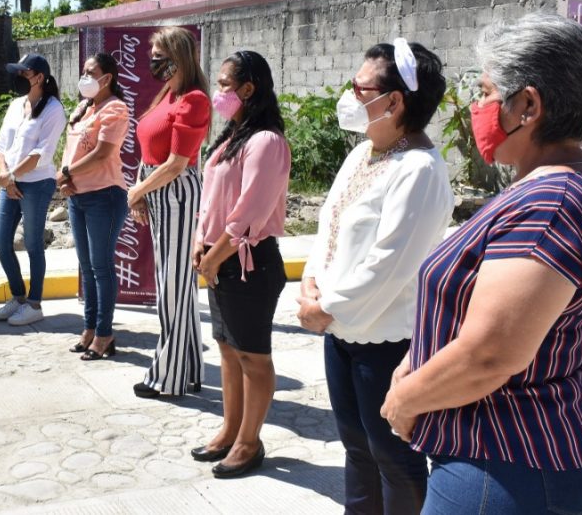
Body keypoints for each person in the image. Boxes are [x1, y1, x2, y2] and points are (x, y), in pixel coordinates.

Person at [381, 13, 582, 515]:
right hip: (509, 451)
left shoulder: (550, 204)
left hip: (506, 461)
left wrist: (406, 402)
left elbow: (490, 355)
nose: (476, 107)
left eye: (487, 92)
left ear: (528, 104)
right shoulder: (541, 184)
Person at [297, 39, 453, 513]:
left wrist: (326, 308)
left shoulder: (420, 169)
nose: (352, 96)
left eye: (359, 86)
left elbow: (389, 264)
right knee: (355, 446)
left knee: (392, 455)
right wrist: (310, 281)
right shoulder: (366, 152)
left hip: (384, 340)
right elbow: (331, 223)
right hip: (340, 331)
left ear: (395, 101)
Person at [189, 50, 289, 478]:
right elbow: (211, 200)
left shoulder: (266, 141)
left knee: (253, 357)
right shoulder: (232, 137)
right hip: (221, 257)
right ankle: (230, 430)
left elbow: (249, 213)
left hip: (248, 262)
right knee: (228, 352)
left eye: (226, 85)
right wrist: (200, 243)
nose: (219, 93)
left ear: (249, 89)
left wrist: (212, 257)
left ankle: (250, 442)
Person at [127, 26, 210, 398]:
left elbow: (177, 163)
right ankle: (188, 367)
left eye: (158, 54)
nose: (152, 60)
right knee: (176, 285)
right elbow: (151, 151)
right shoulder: (169, 94)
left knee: (172, 289)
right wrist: (142, 191)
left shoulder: (193, 100)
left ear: (176, 56)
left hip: (174, 192)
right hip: (157, 190)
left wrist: (137, 190)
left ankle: (169, 377)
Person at [58, 53, 131, 360]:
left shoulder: (115, 108)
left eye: (91, 72)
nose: (85, 77)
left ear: (107, 78)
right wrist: (65, 179)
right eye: (84, 71)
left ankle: (104, 334)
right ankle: (89, 329)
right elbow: (70, 149)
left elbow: (102, 153)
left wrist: (68, 174)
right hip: (78, 196)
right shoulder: (84, 107)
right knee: (87, 268)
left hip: (105, 195)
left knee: (101, 267)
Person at [0, 54, 65, 326]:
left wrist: (11, 175)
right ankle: (18, 297)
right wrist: (6, 177)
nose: (19, 77)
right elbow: (1, 145)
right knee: (1, 241)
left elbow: (41, 155)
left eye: (25, 73)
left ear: (39, 78)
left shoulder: (53, 109)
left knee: (33, 243)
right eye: (19, 73)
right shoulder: (15, 105)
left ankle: (34, 304)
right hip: (10, 182)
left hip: (37, 183)